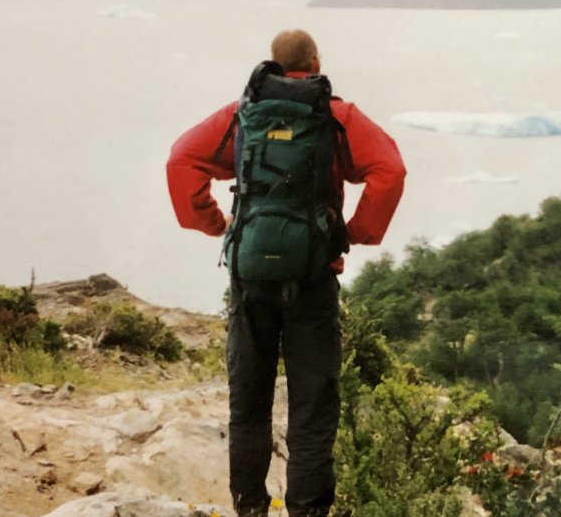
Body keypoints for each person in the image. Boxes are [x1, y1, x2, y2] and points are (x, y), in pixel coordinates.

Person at [166, 29, 406, 517]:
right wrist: (356, 231)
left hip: (251, 277)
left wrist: (216, 224)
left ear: (273, 63)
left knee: (249, 403)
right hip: (313, 275)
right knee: (312, 408)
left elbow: (181, 161)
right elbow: (390, 171)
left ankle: (250, 508)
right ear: (316, 61)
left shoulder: (242, 114)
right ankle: (306, 512)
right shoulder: (337, 116)